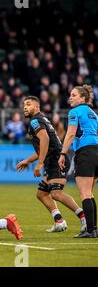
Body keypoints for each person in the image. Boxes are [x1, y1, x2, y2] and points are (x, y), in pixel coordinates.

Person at [17, 96, 86, 233]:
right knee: (42, 193)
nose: (25, 107)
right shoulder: (41, 119)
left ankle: (85, 219)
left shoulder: (35, 121)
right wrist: (28, 161)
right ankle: (59, 221)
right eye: (24, 104)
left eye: (28, 104)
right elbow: (45, 146)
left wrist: (40, 163)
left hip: (56, 159)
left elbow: (45, 139)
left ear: (36, 107)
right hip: (52, 159)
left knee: (56, 193)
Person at [58, 85, 98, 238]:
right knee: (90, 193)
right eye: (70, 94)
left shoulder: (74, 112)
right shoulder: (93, 114)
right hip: (96, 151)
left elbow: (70, 134)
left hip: (86, 153)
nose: (70, 97)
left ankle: (90, 230)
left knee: (85, 193)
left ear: (83, 98)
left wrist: (63, 153)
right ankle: (93, 228)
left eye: (74, 95)